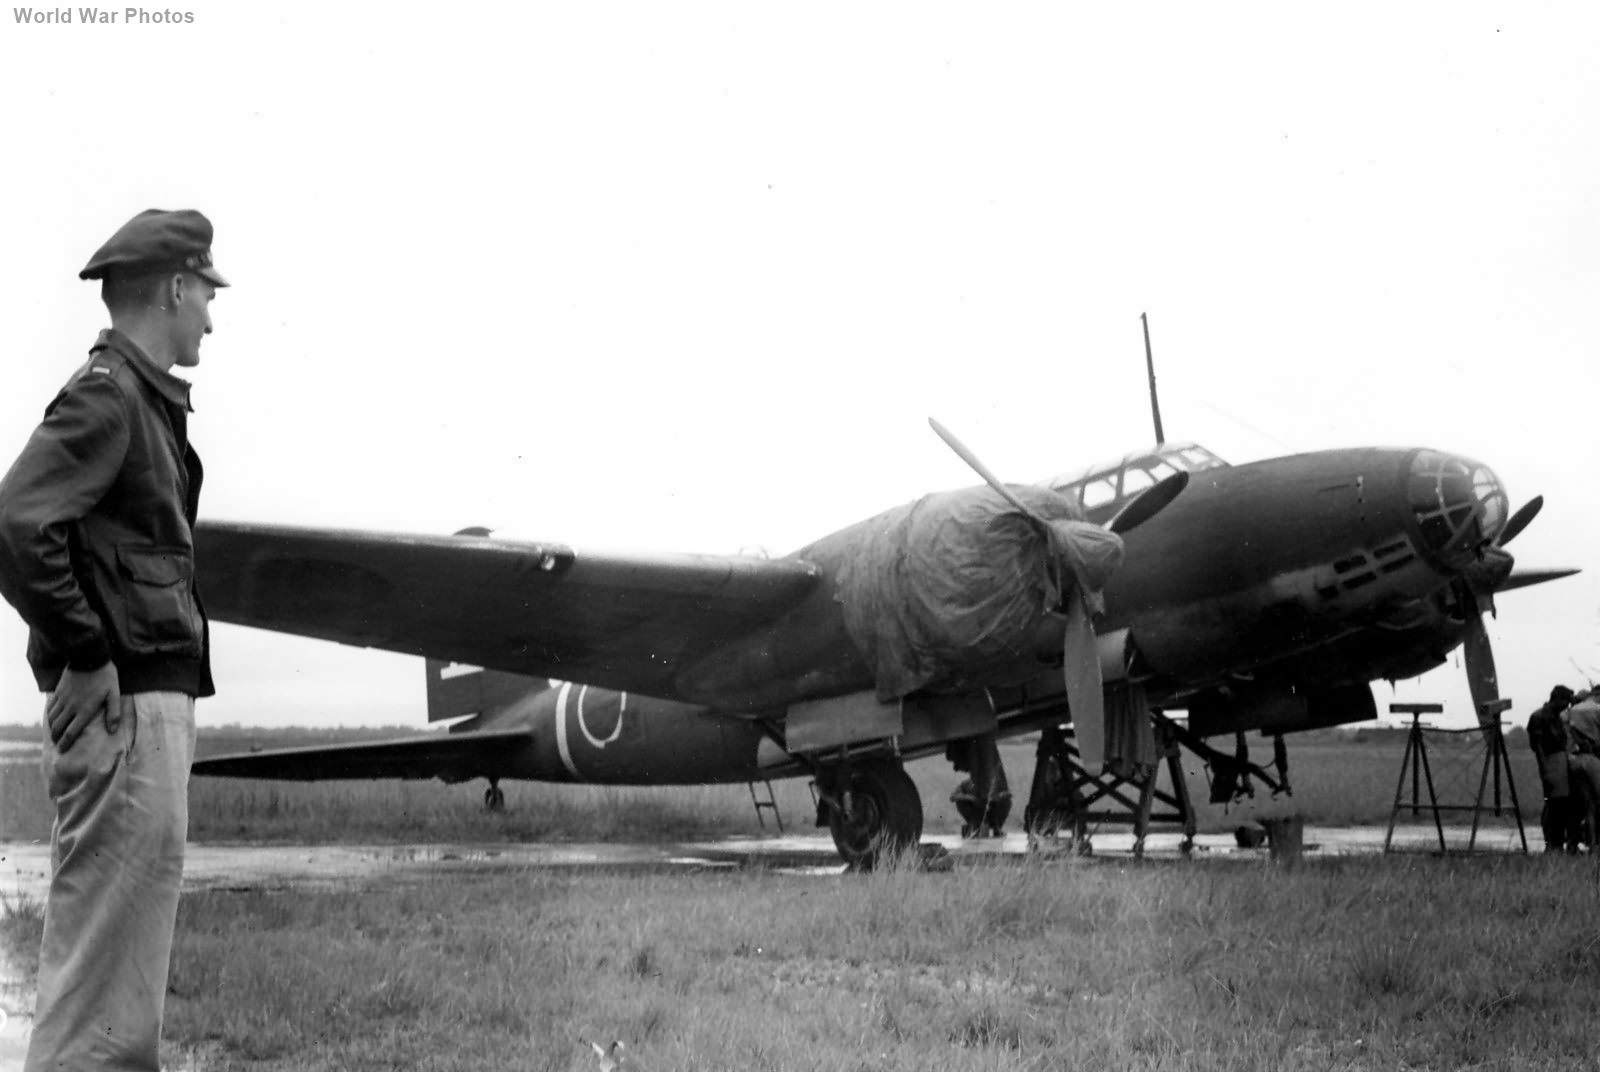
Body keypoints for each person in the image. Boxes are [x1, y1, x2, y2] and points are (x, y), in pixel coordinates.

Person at [0, 208, 226, 1071]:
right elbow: (16, 523)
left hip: (139, 714)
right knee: (99, 1002)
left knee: (117, 1011)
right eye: (206, 294)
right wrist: (88, 654)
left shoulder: (140, 401)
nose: (210, 316)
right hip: (125, 716)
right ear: (175, 287)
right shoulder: (110, 395)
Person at [1526, 685, 1578, 853]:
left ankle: (1557, 843)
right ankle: (1552, 844)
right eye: (1565, 702)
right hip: (1550, 762)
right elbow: (1539, 747)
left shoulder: (1555, 717)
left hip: (1560, 761)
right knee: (1554, 805)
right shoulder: (1539, 717)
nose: (1566, 706)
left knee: (1562, 804)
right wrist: (1546, 772)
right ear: (1558, 699)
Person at [1564, 687, 1600, 852]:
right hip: (1592, 759)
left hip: (1573, 760)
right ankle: (1594, 844)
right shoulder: (1597, 709)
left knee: (1587, 804)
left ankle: (1583, 843)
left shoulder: (1571, 711)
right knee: (1596, 804)